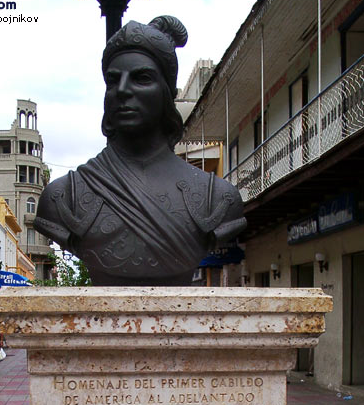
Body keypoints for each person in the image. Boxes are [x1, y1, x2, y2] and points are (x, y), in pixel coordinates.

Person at [34, 15, 246, 286]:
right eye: (113, 80)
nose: (122, 90)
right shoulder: (64, 197)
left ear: (167, 93)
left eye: (141, 78)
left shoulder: (216, 199)